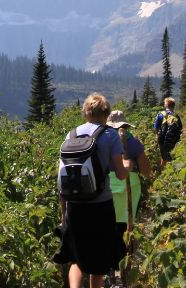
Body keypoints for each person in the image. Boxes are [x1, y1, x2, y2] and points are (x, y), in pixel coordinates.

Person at [56, 93, 128, 288]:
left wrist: (64, 215)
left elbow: (61, 180)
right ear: (106, 113)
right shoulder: (110, 135)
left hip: (74, 206)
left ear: (86, 112)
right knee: (98, 259)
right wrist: (128, 166)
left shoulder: (71, 135)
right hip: (101, 205)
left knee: (75, 257)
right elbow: (120, 174)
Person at [107, 110, 152, 252]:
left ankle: (109, 257)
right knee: (127, 221)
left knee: (109, 221)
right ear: (125, 127)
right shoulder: (134, 143)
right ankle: (127, 254)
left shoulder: (102, 142)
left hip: (107, 186)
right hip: (130, 186)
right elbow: (146, 171)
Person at [153, 97, 181, 169]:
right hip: (174, 140)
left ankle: (162, 172)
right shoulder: (176, 116)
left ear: (166, 105)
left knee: (164, 157)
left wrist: (157, 136)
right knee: (171, 155)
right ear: (173, 106)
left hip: (162, 139)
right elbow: (180, 128)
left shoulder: (161, 114)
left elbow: (156, 128)